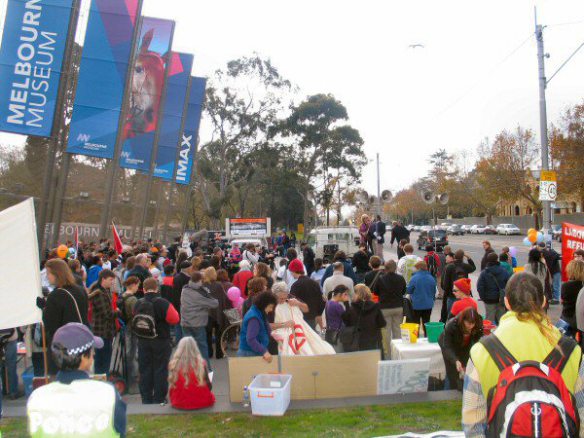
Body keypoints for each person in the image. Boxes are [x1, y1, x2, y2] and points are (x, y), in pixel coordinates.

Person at [463, 272, 584, 437]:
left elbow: (472, 423)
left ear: (506, 302)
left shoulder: (482, 351)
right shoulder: (571, 351)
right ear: (543, 301)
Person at [26, 323, 127, 437]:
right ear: (84, 356)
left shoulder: (36, 398)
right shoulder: (108, 394)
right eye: (92, 349)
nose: (94, 353)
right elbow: (121, 431)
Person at [38, 259, 89, 374]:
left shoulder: (56, 296)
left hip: (63, 348)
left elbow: (50, 325)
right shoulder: (80, 290)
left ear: (57, 274)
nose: (47, 277)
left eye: (48, 273)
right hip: (81, 342)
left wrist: (45, 308)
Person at [134, 278, 180, 404]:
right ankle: (159, 398)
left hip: (143, 340)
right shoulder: (163, 303)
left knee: (144, 370)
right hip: (160, 340)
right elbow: (175, 319)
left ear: (143, 289)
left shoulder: (138, 303)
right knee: (160, 369)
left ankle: (146, 398)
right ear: (157, 288)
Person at [438, 307, 483, 391]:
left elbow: (479, 340)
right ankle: (449, 392)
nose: (471, 326)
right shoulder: (451, 325)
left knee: (466, 366)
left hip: (464, 345)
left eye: (473, 324)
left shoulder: (478, 324)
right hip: (448, 345)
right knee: (452, 370)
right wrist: (455, 360)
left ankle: (463, 391)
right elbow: (447, 347)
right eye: (468, 323)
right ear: (463, 320)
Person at [180, 271, 218, 369]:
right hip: (198, 324)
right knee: (202, 347)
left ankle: (188, 370)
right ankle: (206, 370)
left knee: (188, 348)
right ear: (200, 281)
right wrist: (206, 293)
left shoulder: (185, 289)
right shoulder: (200, 293)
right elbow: (214, 303)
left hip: (185, 323)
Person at [168, 336, 215, 410]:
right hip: (202, 402)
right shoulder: (201, 363)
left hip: (178, 402)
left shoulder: (174, 364)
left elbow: (172, 387)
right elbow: (209, 386)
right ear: (195, 348)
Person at [88, 269, 117, 376]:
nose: (112, 282)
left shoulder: (104, 290)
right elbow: (107, 314)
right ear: (103, 279)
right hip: (102, 331)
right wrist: (117, 312)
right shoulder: (98, 292)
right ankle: (102, 382)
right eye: (110, 280)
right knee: (102, 361)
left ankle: (102, 379)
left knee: (103, 360)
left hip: (104, 331)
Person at [341, 284, 386, 352]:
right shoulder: (375, 307)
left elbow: (347, 321)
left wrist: (346, 303)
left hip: (358, 343)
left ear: (356, 294)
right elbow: (382, 323)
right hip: (374, 342)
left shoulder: (352, 308)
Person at [238, 291, 278, 361]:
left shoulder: (259, 312)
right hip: (249, 353)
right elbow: (251, 339)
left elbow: (264, 328)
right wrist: (264, 351)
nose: (271, 310)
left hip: (254, 351)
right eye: (270, 307)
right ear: (263, 305)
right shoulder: (254, 317)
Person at [376, 260, 406, 352]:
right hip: (398, 306)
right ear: (395, 268)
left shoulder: (381, 279)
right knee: (397, 331)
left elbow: (375, 291)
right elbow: (403, 291)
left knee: (386, 332)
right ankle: (397, 352)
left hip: (385, 307)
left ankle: (388, 354)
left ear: (385, 268)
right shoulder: (400, 278)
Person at [203, 267, 232, 360]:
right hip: (217, 312)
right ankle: (219, 354)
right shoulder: (218, 285)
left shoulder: (202, 286)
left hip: (206, 313)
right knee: (219, 334)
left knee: (207, 334)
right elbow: (224, 298)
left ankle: (209, 353)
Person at [289, 258, 326, 330]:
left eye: (291, 271)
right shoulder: (314, 283)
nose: (290, 273)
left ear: (293, 271)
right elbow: (320, 302)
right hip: (313, 318)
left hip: (301, 319)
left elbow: (291, 303)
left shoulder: (295, 285)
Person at [441, 249, 476, 323]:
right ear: (462, 257)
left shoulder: (449, 267)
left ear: (454, 256)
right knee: (464, 317)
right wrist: (469, 258)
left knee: (451, 318)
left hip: (451, 295)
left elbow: (445, 284)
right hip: (463, 295)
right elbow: (473, 268)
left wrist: (447, 292)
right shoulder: (465, 266)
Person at [477, 252, 510, 324]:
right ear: (497, 259)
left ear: (488, 260)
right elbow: (509, 284)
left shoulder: (484, 273)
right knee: (501, 320)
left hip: (489, 299)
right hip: (501, 299)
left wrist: (483, 298)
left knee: (489, 320)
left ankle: (489, 334)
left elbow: (480, 287)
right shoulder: (503, 271)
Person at [119, 276, 140, 389]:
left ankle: (127, 374)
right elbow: (135, 315)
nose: (138, 288)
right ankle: (131, 376)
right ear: (133, 285)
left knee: (127, 351)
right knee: (131, 352)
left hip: (124, 326)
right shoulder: (133, 299)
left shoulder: (122, 296)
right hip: (132, 328)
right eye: (137, 285)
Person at [406, 261, 436, 330]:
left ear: (418, 268)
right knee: (426, 323)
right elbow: (433, 292)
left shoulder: (414, 278)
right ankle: (427, 337)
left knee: (416, 324)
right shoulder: (431, 278)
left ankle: (416, 339)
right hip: (428, 304)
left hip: (416, 305)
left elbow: (409, 291)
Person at [558, 259, 584, 336]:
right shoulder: (582, 286)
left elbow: (562, 300)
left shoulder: (566, 286)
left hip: (566, 317)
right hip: (579, 320)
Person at [324, 285, 350, 352]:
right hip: (338, 335)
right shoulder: (337, 306)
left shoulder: (328, 303)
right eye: (345, 294)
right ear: (339, 294)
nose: (347, 296)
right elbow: (348, 318)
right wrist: (346, 303)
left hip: (331, 333)